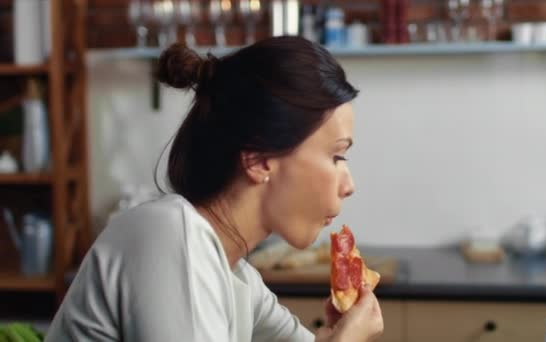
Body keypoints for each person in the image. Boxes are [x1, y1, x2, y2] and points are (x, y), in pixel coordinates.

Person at [45, 36, 383, 342]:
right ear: (259, 159)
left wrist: (338, 333)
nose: (349, 185)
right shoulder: (169, 235)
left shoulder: (238, 278)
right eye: (337, 155)